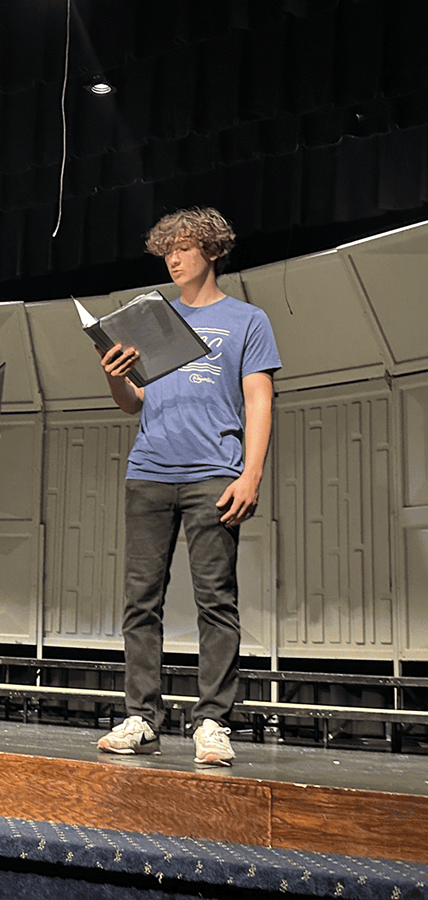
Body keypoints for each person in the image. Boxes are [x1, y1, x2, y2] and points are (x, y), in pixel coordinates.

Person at [93, 207, 280, 767]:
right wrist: (113, 374)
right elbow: (135, 402)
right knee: (139, 601)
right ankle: (140, 718)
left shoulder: (248, 320)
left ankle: (213, 721)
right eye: (167, 249)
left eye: (185, 247)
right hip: (149, 470)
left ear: (214, 251)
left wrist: (251, 473)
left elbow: (258, 399)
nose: (174, 258)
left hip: (214, 473)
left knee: (215, 601)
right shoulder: (152, 320)